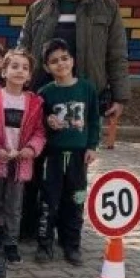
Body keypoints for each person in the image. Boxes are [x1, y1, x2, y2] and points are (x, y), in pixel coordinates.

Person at [17, 0, 129, 241]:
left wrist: (120, 96)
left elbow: (117, 54)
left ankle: (69, 233)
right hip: (42, 102)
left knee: (74, 173)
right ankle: (32, 226)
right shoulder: (39, 8)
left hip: (83, 102)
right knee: (36, 163)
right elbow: (23, 51)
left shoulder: (108, 7)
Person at [0, 49, 46, 265]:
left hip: (20, 163)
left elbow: (39, 132)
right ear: (3, 72)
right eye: (14, 66)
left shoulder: (34, 102)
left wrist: (31, 149)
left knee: (14, 205)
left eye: (25, 68)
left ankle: (11, 242)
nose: (19, 71)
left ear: (30, 75)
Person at [35, 38, 101, 266]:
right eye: (54, 61)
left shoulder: (87, 88)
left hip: (78, 157)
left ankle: (72, 244)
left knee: (76, 199)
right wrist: (47, 120)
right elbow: (36, 122)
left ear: (72, 60)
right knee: (48, 201)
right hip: (52, 157)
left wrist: (92, 146)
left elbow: (94, 119)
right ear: (46, 67)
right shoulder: (45, 93)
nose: (60, 64)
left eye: (64, 58)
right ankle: (44, 245)